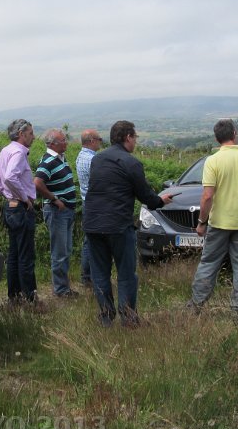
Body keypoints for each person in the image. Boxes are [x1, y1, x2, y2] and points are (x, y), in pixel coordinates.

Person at [84, 121, 174, 328]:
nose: (135, 141)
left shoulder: (97, 159)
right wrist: (162, 201)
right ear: (128, 137)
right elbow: (146, 197)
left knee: (100, 273)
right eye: (135, 137)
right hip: (117, 225)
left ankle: (106, 317)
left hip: (93, 223)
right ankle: (129, 319)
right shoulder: (131, 163)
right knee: (126, 274)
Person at [187, 119, 238, 320]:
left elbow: (207, 196)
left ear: (216, 138)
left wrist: (201, 222)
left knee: (209, 263)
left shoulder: (212, 161)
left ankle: (196, 305)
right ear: (235, 133)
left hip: (219, 223)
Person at [0, 119, 39, 304]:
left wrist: (6, 194)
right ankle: (30, 298)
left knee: (14, 254)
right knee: (26, 255)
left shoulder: (6, 150)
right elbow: (10, 177)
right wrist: (24, 198)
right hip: (21, 208)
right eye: (31, 133)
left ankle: (14, 297)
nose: (33, 137)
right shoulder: (18, 152)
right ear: (21, 134)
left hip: (11, 207)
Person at [34, 128, 79, 298]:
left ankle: (64, 288)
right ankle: (60, 291)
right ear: (53, 144)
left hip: (66, 211)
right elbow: (37, 183)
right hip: (57, 212)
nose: (66, 142)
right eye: (63, 140)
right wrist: (54, 199)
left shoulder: (61, 158)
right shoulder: (48, 161)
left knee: (65, 250)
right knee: (60, 252)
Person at [75, 129, 103, 288]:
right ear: (92, 140)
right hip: (95, 205)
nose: (100, 141)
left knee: (89, 241)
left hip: (88, 203)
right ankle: (89, 277)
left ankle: (87, 276)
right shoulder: (93, 159)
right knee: (93, 241)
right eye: (99, 139)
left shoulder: (81, 156)